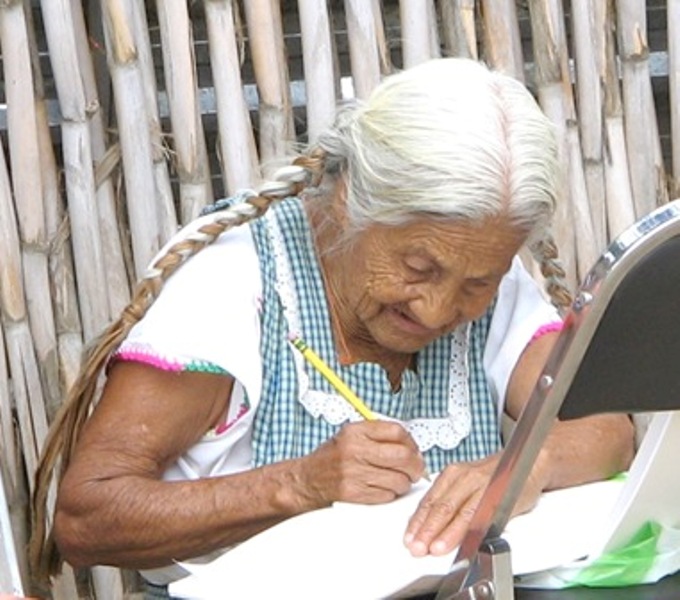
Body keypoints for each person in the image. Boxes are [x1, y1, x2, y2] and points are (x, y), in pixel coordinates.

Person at [30, 57, 634, 597]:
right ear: (349, 201)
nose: (436, 309)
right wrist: (298, 484)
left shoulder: (482, 268)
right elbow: (88, 516)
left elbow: (608, 428)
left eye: (476, 284)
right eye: (417, 267)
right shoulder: (239, 281)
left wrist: (528, 467)